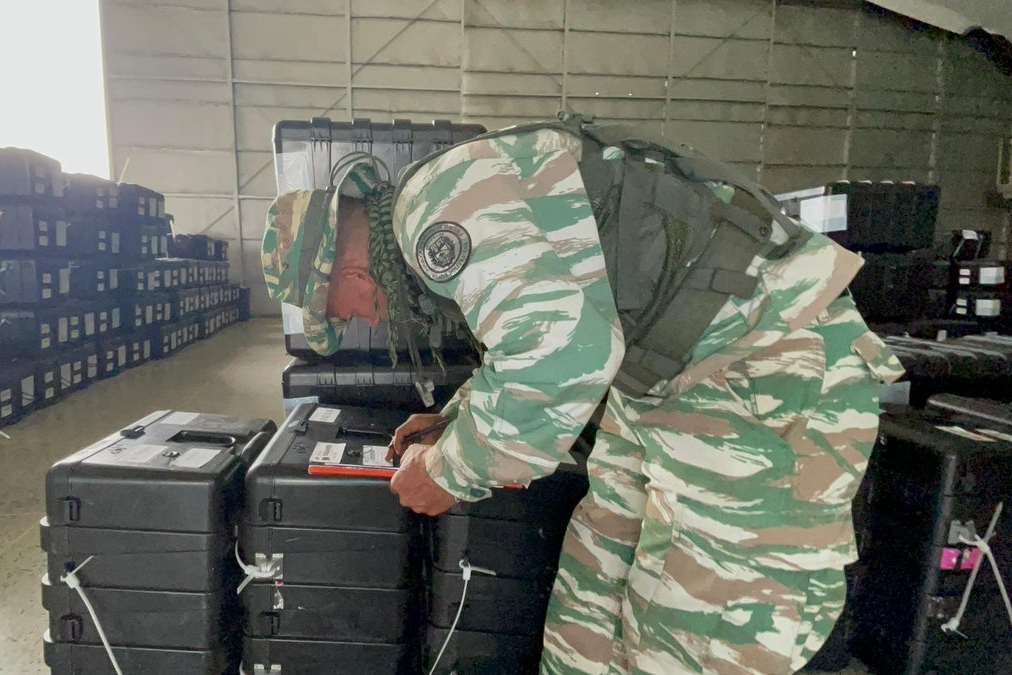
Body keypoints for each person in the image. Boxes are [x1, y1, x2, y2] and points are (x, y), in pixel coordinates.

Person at [260, 120, 905, 674]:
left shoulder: (433, 215)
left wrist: (450, 470)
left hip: (761, 364)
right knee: (595, 583)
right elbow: (547, 332)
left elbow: (563, 356)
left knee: (698, 629)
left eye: (342, 313)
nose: (362, 322)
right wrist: (456, 421)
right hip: (666, 369)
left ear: (345, 275)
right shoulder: (436, 200)